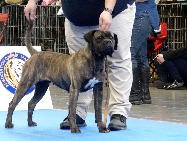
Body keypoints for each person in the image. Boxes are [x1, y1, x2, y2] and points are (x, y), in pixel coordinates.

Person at [24, 0, 136, 131]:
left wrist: (108, 10)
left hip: (115, 12)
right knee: (78, 66)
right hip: (77, 19)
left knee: (118, 61)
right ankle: (77, 113)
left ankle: (119, 112)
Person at [129, 0, 161, 105]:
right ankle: (144, 94)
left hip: (141, 16)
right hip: (144, 16)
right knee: (140, 56)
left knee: (130, 53)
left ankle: (134, 93)